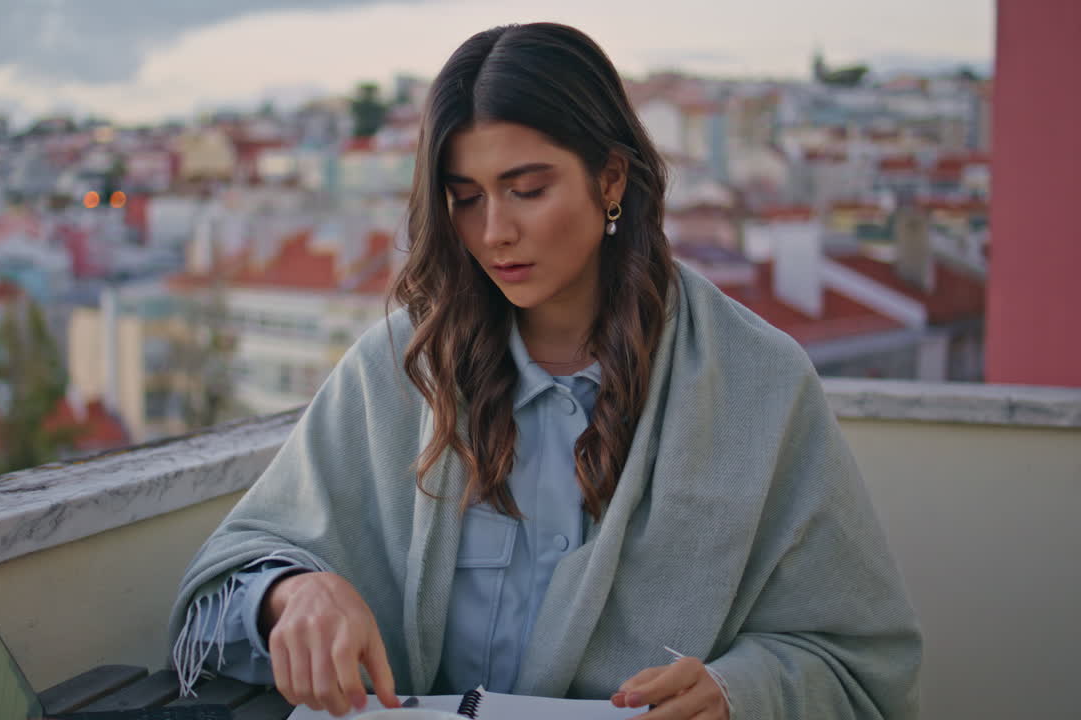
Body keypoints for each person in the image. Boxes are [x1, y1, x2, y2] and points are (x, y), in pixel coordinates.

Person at [169, 22, 921, 720]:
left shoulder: (761, 385)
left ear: (612, 179)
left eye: (528, 190)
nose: (494, 232)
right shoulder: (402, 370)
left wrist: (738, 691)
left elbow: (860, 662)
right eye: (466, 199)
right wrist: (293, 593)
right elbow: (230, 577)